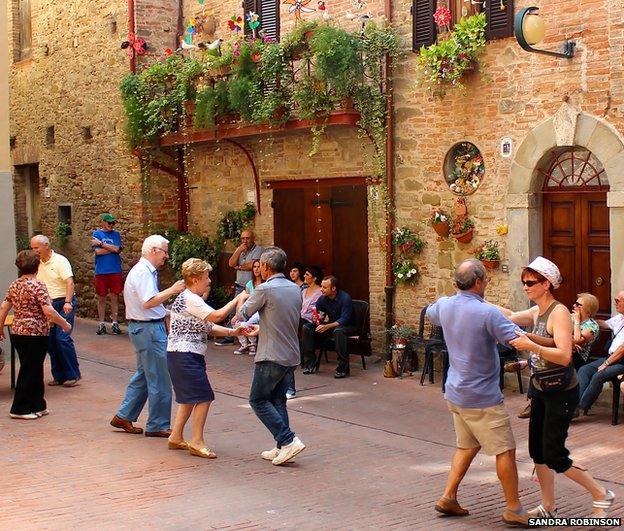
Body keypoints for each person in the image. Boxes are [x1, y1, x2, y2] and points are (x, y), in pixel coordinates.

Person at [504, 257, 614, 519]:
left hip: (562, 392)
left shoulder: (560, 312)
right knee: (537, 452)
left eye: (530, 282)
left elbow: (565, 355)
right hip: (541, 388)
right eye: (523, 282)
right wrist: (472, 299)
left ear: (546, 284)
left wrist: (531, 345)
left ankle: (601, 494)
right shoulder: (536, 311)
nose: (525, 287)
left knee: (554, 454)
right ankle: (548, 506)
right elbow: (507, 315)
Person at [426, 259, 528, 526]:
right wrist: (552, 342)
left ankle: (448, 497)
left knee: (467, 446)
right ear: (480, 282)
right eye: (487, 280)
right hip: (482, 397)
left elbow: (430, 311)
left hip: (456, 392)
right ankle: (513, 509)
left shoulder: (446, 306)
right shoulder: (487, 313)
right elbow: (515, 338)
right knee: (505, 450)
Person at [167, 258, 248, 458]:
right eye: (206, 277)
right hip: (185, 354)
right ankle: (196, 441)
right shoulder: (191, 299)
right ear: (195, 279)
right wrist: (235, 300)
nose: (208, 281)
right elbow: (216, 316)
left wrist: (233, 332)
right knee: (204, 397)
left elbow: (208, 327)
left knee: (188, 398)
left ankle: (175, 437)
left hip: (182, 354)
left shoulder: (189, 298)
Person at [110, 235, 185, 437]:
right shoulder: (143, 272)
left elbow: (149, 303)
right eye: (164, 252)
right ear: (154, 250)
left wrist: (166, 312)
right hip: (149, 330)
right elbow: (148, 301)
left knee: (145, 375)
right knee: (159, 377)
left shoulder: (144, 271)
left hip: (145, 327)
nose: (166, 256)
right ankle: (158, 424)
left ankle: (124, 415)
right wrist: (173, 290)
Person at [239, 247, 305, 466]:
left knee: (257, 400)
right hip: (291, 353)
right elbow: (281, 318)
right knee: (278, 400)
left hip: (271, 354)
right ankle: (281, 446)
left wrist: (242, 297)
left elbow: (243, 313)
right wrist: (262, 329)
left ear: (265, 267)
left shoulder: (265, 289)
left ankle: (288, 440)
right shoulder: (295, 288)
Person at [0, 251, 71, 419]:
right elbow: (48, 310)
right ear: (37, 266)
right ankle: (19, 408)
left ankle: (38, 404)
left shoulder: (15, 284)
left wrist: (0, 327)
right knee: (29, 370)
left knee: (33, 367)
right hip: (36, 333)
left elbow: (4, 307)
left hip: (18, 332)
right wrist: (64, 323)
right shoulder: (38, 285)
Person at [30, 235, 81, 387]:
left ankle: (73, 374)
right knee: (51, 340)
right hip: (48, 305)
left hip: (62, 302)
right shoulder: (35, 263)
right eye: (32, 248)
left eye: (36, 248)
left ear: (46, 245)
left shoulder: (60, 261)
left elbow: (69, 282)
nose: (34, 251)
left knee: (62, 338)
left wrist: (68, 301)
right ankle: (58, 375)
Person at [575, 289, 624, 417]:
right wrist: (589, 320)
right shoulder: (620, 318)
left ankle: (579, 407)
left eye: (618, 301)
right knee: (584, 370)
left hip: (621, 361)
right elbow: (604, 324)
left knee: (599, 375)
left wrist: (607, 363)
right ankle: (575, 405)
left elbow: (622, 350)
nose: (615, 303)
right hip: (611, 357)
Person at [300, 276, 355, 378]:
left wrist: (327, 326)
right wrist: (318, 319)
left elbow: (344, 319)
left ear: (333, 288)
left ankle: (343, 367)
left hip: (348, 327)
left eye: (324, 287)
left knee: (339, 331)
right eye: (321, 286)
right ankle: (310, 362)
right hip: (330, 325)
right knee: (307, 328)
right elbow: (319, 315)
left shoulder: (345, 298)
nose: (321, 289)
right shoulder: (322, 299)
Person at [216, 229, 264, 346]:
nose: (245, 241)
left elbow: (253, 265)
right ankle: (231, 337)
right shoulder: (241, 251)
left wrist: (240, 267)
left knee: (249, 312)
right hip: (240, 285)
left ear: (253, 239)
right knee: (234, 311)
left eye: (247, 238)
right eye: (243, 238)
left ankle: (251, 341)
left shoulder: (259, 250)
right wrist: (238, 250)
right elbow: (231, 264)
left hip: (252, 286)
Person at [286, 265, 323, 399]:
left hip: (311, 321)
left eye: (307, 275)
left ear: (314, 278)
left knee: (305, 328)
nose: (305, 277)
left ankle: (309, 360)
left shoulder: (319, 292)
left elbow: (317, 310)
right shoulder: (303, 291)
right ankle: (294, 355)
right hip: (300, 317)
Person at [91, 213, 124, 335]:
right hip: (101, 270)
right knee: (101, 297)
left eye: (113, 223)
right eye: (109, 223)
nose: (111, 225)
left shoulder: (116, 234)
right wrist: (111, 249)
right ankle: (101, 323)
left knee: (115, 296)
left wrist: (101, 244)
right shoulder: (97, 234)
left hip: (115, 269)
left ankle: (114, 323)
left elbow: (117, 249)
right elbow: (98, 253)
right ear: (103, 222)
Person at [233, 259, 262, 356]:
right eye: (254, 267)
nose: (256, 269)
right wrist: (237, 315)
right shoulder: (249, 284)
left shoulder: (265, 283)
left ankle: (253, 344)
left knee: (247, 323)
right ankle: (244, 344)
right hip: (250, 309)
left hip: (260, 311)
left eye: (258, 267)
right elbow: (244, 300)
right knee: (235, 322)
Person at [571, 293, 600, 370]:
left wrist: (577, 321)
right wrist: (571, 343)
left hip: (578, 359)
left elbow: (577, 340)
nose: (574, 306)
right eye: (575, 303)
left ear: (588, 310)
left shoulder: (592, 326)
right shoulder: (571, 318)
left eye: (578, 304)